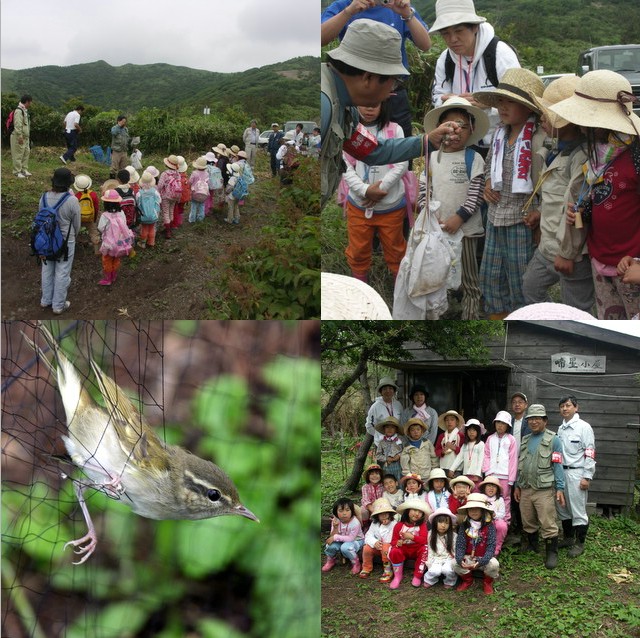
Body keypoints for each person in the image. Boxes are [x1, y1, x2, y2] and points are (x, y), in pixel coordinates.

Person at [321, 18, 463, 209]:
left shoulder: (345, 107)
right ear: (368, 77)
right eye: (393, 82)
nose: (391, 92)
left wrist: (427, 141)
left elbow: (371, 150)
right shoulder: (324, 104)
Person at [550, 70, 640, 319]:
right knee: (609, 325)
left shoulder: (635, 154)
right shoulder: (600, 153)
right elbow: (604, 196)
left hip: (631, 265)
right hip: (601, 259)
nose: (580, 125)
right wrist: (583, 212)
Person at [473, 68, 546, 319]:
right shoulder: (499, 135)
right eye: (501, 101)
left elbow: (548, 182)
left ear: (529, 109)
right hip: (495, 217)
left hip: (521, 221)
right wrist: (486, 184)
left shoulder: (538, 140)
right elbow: (488, 166)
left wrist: (541, 213)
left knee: (520, 280)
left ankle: (523, 323)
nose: (503, 108)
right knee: (491, 277)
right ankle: (498, 321)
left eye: (511, 103)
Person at [521, 76, 594, 312]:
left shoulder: (581, 156)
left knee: (576, 308)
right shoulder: (555, 148)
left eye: (547, 113)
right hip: (548, 246)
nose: (541, 118)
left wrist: (567, 254)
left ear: (567, 121)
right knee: (530, 288)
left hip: (571, 252)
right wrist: (541, 213)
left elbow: (575, 207)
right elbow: (557, 195)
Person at [321, 0, 432, 142]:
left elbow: (425, 45)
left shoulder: (397, 7)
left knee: (398, 140)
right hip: (356, 92)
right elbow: (320, 37)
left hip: (390, 89)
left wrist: (407, 14)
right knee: (351, 145)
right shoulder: (345, 5)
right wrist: (348, 12)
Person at [422, 96, 490, 318]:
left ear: (471, 129)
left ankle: (470, 316)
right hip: (437, 231)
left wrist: (458, 218)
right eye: (449, 125)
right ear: (439, 130)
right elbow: (424, 189)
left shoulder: (474, 159)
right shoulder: (431, 158)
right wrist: (430, 214)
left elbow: (476, 194)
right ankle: (443, 312)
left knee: (469, 278)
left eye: (462, 125)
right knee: (439, 275)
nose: (456, 131)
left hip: (466, 232)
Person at [430, 0, 520, 153]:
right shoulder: (445, 59)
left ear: (475, 27)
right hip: (461, 143)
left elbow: (520, 103)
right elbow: (437, 96)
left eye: (459, 31)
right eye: (446, 33)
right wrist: (451, 103)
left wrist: (489, 104)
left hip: (500, 143)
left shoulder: (500, 55)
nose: (452, 39)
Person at [340, 100, 408, 284]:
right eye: (364, 103)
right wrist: (365, 191)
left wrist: (380, 189)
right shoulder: (349, 131)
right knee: (358, 250)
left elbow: (403, 163)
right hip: (359, 205)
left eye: (375, 103)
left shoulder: (395, 129)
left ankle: (399, 290)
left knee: (396, 249)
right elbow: (345, 166)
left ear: (384, 104)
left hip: (390, 206)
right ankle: (361, 289)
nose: (369, 107)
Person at [513, 403, 566, 569]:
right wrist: (517, 485)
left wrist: (560, 488)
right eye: (531, 419)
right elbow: (520, 465)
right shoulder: (525, 439)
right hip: (526, 487)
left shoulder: (554, 440)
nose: (533, 422)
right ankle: (531, 545)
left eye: (537, 419)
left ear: (545, 421)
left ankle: (552, 553)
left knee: (547, 521)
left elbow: (558, 465)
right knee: (527, 519)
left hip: (544, 489)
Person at [555, 395, 595, 558]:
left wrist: (587, 476)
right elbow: (557, 453)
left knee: (578, 509)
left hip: (577, 473)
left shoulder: (584, 427)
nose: (565, 408)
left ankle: (580, 543)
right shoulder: (560, 429)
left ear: (576, 408)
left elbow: (590, 452)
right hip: (561, 473)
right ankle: (568, 538)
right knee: (562, 508)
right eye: (562, 406)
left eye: (568, 405)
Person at [38, 168, 80, 313]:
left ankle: (46, 300)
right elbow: (77, 224)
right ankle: (58, 305)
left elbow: (40, 218)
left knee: (47, 269)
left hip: (46, 241)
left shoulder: (43, 197)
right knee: (62, 272)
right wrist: (74, 236)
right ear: (69, 183)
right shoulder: (72, 200)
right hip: (66, 241)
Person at [454, 493, 499, 594]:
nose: (473, 511)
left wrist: (482, 561)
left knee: (494, 564)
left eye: (477, 509)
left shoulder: (490, 526)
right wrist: (460, 559)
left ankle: (487, 582)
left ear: (483, 510)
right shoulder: (464, 525)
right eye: (470, 509)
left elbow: (491, 547)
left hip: (483, 559)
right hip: (468, 558)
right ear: (467, 511)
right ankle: (468, 580)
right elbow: (460, 544)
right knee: (454, 563)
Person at [482, 410, 518, 524]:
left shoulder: (511, 439)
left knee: (505, 499)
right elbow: (486, 455)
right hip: (492, 474)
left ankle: (505, 522)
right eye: (498, 423)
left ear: (507, 425)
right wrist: (487, 471)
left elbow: (513, 459)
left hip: (505, 475)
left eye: (503, 423)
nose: (500, 425)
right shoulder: (490, 438)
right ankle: (488, 520)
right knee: (488, 497)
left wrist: (511, 478)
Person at [388, 500, 429, 589]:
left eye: (420, 512)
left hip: (417, 549)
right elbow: (393, 541)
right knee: (394, 551)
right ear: (408, 511)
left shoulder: (422, 526)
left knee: (425, 549)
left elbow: (424, 540)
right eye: (414, 510)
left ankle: (417, 576)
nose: (417, 513)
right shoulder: (399, 525)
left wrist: (412, 537)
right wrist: (397, 543)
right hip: (404, 549)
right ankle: (397, 576)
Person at [97, 189, 134, 286]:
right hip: (120, 242)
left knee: (107, 260)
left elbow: (100, 228)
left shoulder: (105, 215)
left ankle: (108, 278)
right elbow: (124, 224)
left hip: (109, 244)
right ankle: (114, 275)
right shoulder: (121, 213)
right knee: (116, 258)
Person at [322, 497, 364, 574]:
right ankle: (331, 560)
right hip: (341, 540)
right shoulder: (336, 520)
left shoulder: (355, 523)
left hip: (356, 540)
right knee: (330, 546)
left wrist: (335, 537)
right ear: (336, 512)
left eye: (347, 510)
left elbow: (351, 538)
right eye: (341, 511)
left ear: (352, 511)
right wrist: (335, 528)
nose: (344, 513)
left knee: (346, 547)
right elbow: (332, 536)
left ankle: (356, 563)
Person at [359, 498, 397, 581]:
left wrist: (384, 527)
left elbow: (392, 538)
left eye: (386, 513)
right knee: (367, 548)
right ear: (377, 515)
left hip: (389, 548)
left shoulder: (394, 524)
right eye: (381, 514)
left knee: (386, 547)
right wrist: (374, 542)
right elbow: (368, 535)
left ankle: (388, 570)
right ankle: (366, 567)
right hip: (377, 546)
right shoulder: (374, 524)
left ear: (390, 514)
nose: (384, 515)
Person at [423, 507, 458, 589]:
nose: (443, 525)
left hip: (448, 558)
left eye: (446, 523)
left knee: (447, 570)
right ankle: (430, 580)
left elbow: (455, 551)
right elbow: (430, 550)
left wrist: (453, 561)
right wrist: (430, 562)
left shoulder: (454, 536)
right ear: (435, 522)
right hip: (436, 558)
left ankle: (450, 580)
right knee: (434, 571)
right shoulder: (430, 534)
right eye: (440, 522)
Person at [365, 377, 403, 447]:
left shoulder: (398, 405)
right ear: (381, 391)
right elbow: (369, 426)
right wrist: (379, 436)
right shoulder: (375, 406)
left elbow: (401, 422)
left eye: (390, 388)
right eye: (385, 389)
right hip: (381, 445)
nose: (388, 391)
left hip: (397, 443)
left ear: (394, 391)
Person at [449, 418, 485, 485]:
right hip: (466, 474)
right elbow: (459, 458)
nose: (471, 432)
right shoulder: (465, 445)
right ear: (466, 432)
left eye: (474, 430)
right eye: (469, 430)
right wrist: (452, 469)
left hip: (476, 476)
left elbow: (481, 460)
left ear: (478, 432)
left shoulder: (481, 444)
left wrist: (477, 474)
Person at [478, 476, 507, 555]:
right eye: (489, 486)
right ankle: (481, 548)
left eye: (494, 486)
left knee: (502, 526)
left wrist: (494, 515)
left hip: (494, 520)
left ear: (497, 489)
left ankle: (496, 549)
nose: (491, 488)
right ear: (484, 487)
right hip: (482, 520)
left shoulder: (499, 499)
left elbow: (502, 514)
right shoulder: (481, 497)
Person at [72, 174, 100, 255]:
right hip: (90, 218)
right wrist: (94, 218)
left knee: (74, 232)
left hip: (79, 218)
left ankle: (72, 247)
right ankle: (96, 251)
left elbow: (75, 210)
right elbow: (96, 207)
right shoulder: (93, 194)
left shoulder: (76, 196)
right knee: (94, 233)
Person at [157, 154, 182, 238]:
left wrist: (157, 193)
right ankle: (169, 227)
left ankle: (167, 231)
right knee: (171, 211)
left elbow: (160, 186)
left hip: (166, 196)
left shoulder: (165, 174)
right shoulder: (178, 174)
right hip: (175, 195)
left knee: (165, 212)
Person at [435, 409, 465, 475]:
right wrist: (442, 451)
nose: (449, 422)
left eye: (452, 420)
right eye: (447, 420)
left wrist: (454, 447)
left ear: (457, 422)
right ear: (445, 422)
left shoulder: (460, 435)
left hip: (457, 468)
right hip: (443, 466)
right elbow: (437, 450)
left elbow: (464, 452)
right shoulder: (441, 436)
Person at [136, 171, 161, 249]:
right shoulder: (155, 192)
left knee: (144, 229)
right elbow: (159, 201)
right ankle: (151, 242)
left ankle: (142, 243)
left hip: (143, 216)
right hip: (153, 215)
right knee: (152, 228)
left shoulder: (139, 193)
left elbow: (137, 203)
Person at [10, 94, 33, 178]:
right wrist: (19, 136)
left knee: (26, 152)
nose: (30, 104)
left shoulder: (24, 110)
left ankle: (24, 169)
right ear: (27, 102)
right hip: (19, 137)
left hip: (25, 137)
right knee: (18, 154)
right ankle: (17, 171)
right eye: (30, 102)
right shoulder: (19, 111)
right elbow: (18, 124)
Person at [375, 416, 404, 481]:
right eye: (387, 427)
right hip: (387, 466)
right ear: (384, 429)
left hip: (399, 466)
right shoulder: (382, 442)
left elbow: (406, 451)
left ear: (396, 429)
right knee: (388, 481)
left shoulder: (400, 440)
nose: (389, 429)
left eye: (392, 427)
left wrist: (399, 455)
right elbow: (378, 455)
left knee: (399, 481)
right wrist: (386, 458)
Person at [189, 156, 209, 223]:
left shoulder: (194, 173)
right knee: (202, 205)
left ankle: (192, 219)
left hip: (195, 193)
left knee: (193, 206)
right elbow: (208, 183)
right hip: (204, 193)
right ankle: (200, 218)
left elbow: (190, 182)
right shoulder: (207, 174)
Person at [173, 156, 191, 229]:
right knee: (181, 209)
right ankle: (179, 221)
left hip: (177, 197)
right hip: (184, 197)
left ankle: (175, 223)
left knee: (175, 209)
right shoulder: (185, 177)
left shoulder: (175, 178)